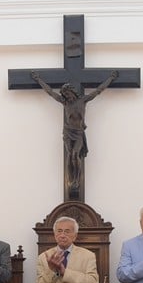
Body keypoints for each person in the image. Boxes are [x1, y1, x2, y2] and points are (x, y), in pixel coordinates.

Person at [31, 70, 118, 199]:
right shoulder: (65, 103)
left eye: (68, 94)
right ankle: (71, 181)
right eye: (65, 95)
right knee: (69, 156)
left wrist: (110, 78)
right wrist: (38, 80)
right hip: (68, 133)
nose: (67, 96)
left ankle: (76, 180)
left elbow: (99, 90)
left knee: (75, 155)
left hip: (78, 133)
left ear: (72, 92)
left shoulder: (83, 100)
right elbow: (49, 92)